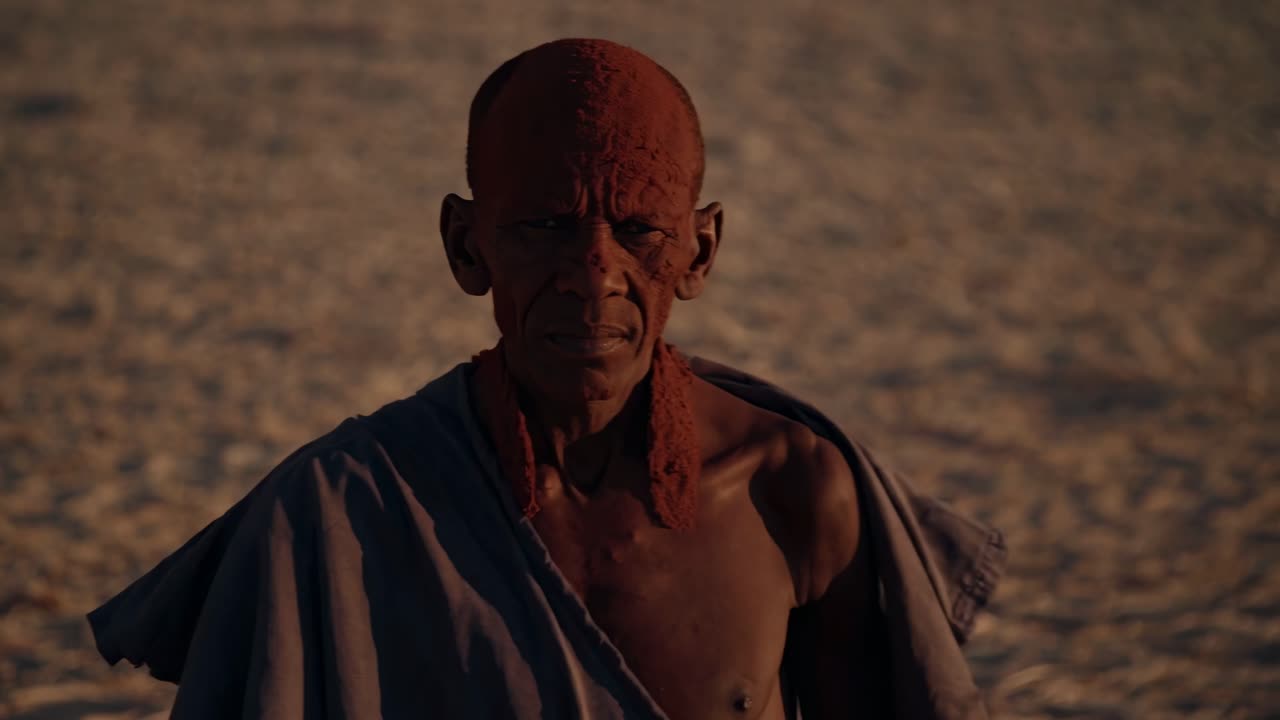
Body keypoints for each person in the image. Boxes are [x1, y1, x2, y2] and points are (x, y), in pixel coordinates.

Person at [88, 38, 1006, 720]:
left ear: (700, 250)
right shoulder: (339, 512)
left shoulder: (793, 490)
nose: (594, 274)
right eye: (544, 227)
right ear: (465, 245)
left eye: (639, 230)